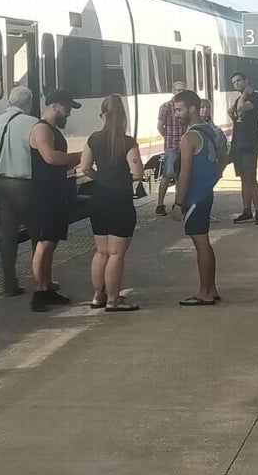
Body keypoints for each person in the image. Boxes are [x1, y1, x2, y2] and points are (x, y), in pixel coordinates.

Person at [79, 94, 144, 312]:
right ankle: (113, 300)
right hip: (120, 200)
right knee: (116, 254)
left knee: (101, 251)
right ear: (123, 116)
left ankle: (98, 296)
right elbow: (137, 173)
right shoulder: (127, 142)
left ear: (103, 115)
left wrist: (101, 177)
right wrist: (121, 178)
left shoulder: (93, 139)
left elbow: (85, 167)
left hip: (98, 198)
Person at [27, 90, 84, 312]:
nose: (68, 113)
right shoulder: (41, 129)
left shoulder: (52, 130)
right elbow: (50, 157)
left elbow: (60, 163)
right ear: (53, 107)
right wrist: (81, 156)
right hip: (44, 194)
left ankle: (48, 285)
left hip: (55, 192)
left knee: (51, 242)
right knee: (44, 243)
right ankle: (40, 291)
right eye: (66, 108)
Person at [0, 86, 37, 296]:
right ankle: (42, 282)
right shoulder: (33, 124)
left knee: (8, 236)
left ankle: (9, 285)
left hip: (1, 185)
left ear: (9, 102)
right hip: (26, 185)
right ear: (28, 103)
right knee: (38, 234)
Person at [172, 90, 229, 305]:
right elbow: (222, 160)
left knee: (201, 243)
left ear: (191, 108)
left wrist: (178, 203)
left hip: (195, 197)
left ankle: (205, 292)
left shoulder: (189, 138)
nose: (177, 114)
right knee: (204, 242)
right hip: (206, 193)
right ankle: (210, 289)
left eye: (179, 109)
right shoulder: (210, 131)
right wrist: (211, 180)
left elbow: (184, 174)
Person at [228, 72, 258, 225]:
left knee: (251, 178)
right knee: (243, 179)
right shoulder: (239, 98)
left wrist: (245, 93)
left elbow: (241, 108)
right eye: (234, 82)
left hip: (250, 143)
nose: (236, 84)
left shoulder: (256, 97)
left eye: (239, 81)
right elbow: (236, 114)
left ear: (246, 81)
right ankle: (246, 210)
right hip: (238, 143)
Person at [155, 81, 187, 216]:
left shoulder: (185, 106)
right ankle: (160, 205)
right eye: (178, 90)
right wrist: (167, 138)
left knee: (180, 176)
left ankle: (177, 203)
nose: (180, 92)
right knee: (167, 175)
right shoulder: (166, 106)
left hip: (183, 146)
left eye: (182, 90)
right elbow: (159, 126)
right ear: (173, 91)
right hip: (171, 145)